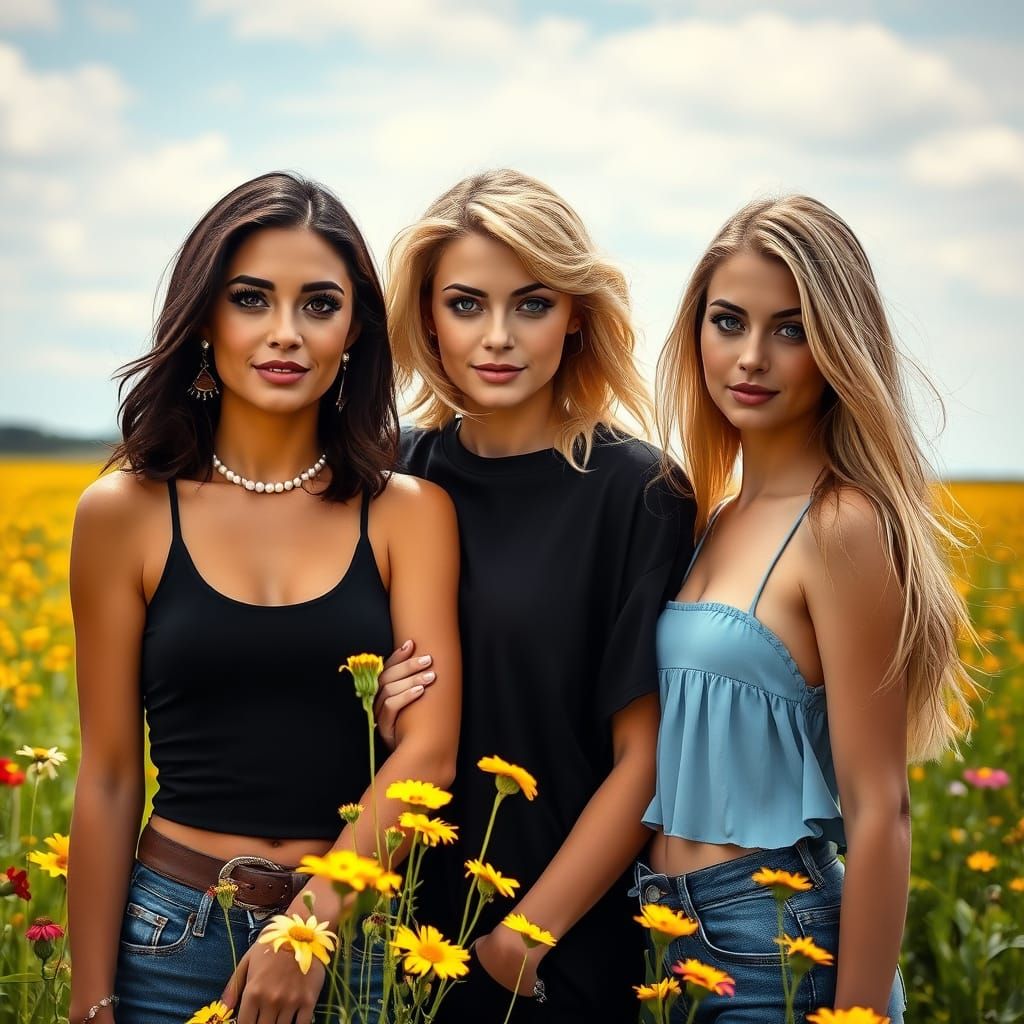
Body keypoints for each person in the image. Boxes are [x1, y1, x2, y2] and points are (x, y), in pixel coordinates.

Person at [67, 172, 461, 1024]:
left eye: (319, 305)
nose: (285, 333)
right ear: (206, 319)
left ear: (355, 330)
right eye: (252, 299)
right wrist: (90, 997)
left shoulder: (409, 514)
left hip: (348, 944)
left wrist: (304, 929)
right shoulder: (123, 515)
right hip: (168, 932)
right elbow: (104, 774)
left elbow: (427, 755)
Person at [638, 195, 976, 1021]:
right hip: (663, 932)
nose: (751, 357)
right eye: (729, 322)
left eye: (790, 329)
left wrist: (855, 1016)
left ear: (837, 347)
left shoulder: (842, 525)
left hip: (776, 944)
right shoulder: (712, 517)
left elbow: (881, 807)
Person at [381, 168, 695, 1022]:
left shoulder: (639, 491)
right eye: (465, 304)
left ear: (577, 315)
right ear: (427, 317)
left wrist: (519, 943)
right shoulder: (395, 475)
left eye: (532, 304)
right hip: (392, 938)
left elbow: (649, 760)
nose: (497, 337)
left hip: (560, 951)